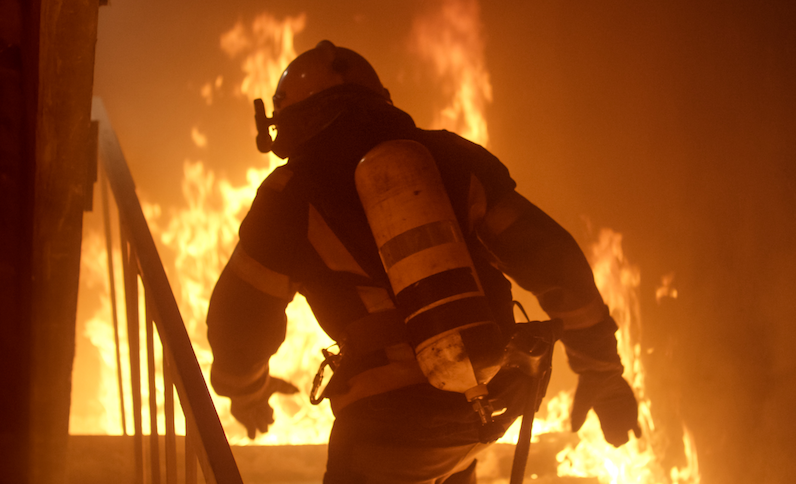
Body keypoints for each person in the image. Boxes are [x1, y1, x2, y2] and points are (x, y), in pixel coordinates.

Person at [206, 40, 640, 483]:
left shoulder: (289, 196)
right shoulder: (454, 158)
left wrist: (246, 392)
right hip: (492, 402)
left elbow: (237, 321)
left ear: (292, 123)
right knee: (449, 447)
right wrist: (602, 372)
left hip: (388, 430)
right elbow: (556, 262)